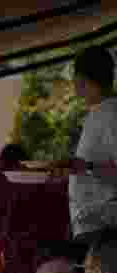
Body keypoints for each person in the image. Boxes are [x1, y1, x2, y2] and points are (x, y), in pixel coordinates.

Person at [55, 46, 117, 242]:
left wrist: (86, 167)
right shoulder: (98, 112)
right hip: (93, 227)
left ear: (83, 79)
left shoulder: (111, 114)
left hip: (106, 229)